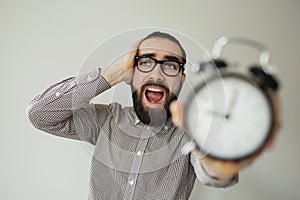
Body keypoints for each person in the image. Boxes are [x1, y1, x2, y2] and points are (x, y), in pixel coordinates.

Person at [27, 31, 281, 200]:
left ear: (182, 79)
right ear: (131, 73)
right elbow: (41, 115)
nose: (157, 75)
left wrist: (222, 164)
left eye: (170, 65)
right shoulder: (106, 120)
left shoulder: (194, 131)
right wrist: (113, 73)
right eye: (145, 62)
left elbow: (212, 173)